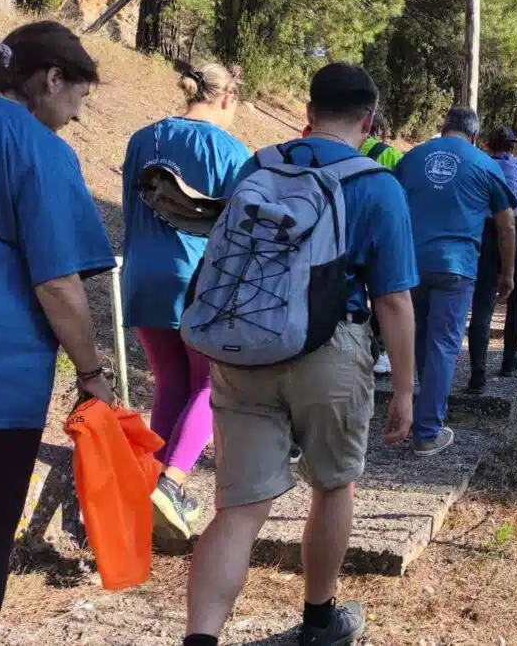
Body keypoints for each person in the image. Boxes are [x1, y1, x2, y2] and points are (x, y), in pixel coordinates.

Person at [182, 63, 418, 646]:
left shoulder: (258, 165)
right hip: (329, 351)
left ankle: (200, 639)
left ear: (308, 112)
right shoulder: (377, 185)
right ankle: (319, 621)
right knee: (333, 486)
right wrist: (405, 389)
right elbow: (393, 301)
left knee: (238, 510)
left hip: (245, 344)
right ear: (369, 121)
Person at [0, 22, 115, 645]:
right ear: (51, 78)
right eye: (79, 97)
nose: (78, 116)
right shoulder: (36, 146)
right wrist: (92, 373)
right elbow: (58, 284)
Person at [121, 62, 249, 540]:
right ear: (227, 98)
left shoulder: (143, 139)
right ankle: (171, 484)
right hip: (198, 279)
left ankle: (150, 486)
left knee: (170, 381)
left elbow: (131, 208)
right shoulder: (231, 151)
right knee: (212, 385)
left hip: (141, 276)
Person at [396, 107, 514, 456]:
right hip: (457, 267)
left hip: (411, 264)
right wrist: (507, 273)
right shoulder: (485, 165)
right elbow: (506, 225)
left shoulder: (411, 158)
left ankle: (425, 411)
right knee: (444, 344)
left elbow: (391, 207)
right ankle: (427, 431)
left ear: (443, 127)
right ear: (475, 136)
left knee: (420, 336)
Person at [467, 127, 517, 392]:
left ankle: (477, 374)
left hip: (485, 238)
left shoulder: (479, 166)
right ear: (513, 146)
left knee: (482, 305)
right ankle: (508, 362)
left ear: (488, 144)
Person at [359, 115, 403, 376]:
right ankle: (380, 352)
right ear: (379, 130)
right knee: (381, 295)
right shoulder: (390, 155)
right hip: (379, 232)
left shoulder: (344, 147)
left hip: (343, 232)